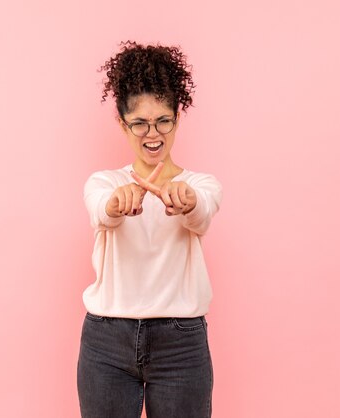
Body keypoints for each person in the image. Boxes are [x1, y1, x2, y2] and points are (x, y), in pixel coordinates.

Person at [77, 40, 223, 418]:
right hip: (107, 341)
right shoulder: (103, 183)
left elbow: (201, 214)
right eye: (139, 122)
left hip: (181, 342)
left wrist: (187, 200)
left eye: (163, 120)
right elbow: (101, 212)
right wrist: (118, 202)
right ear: (121, 123)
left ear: (177, 116)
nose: (152, 133)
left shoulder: (201, 185)